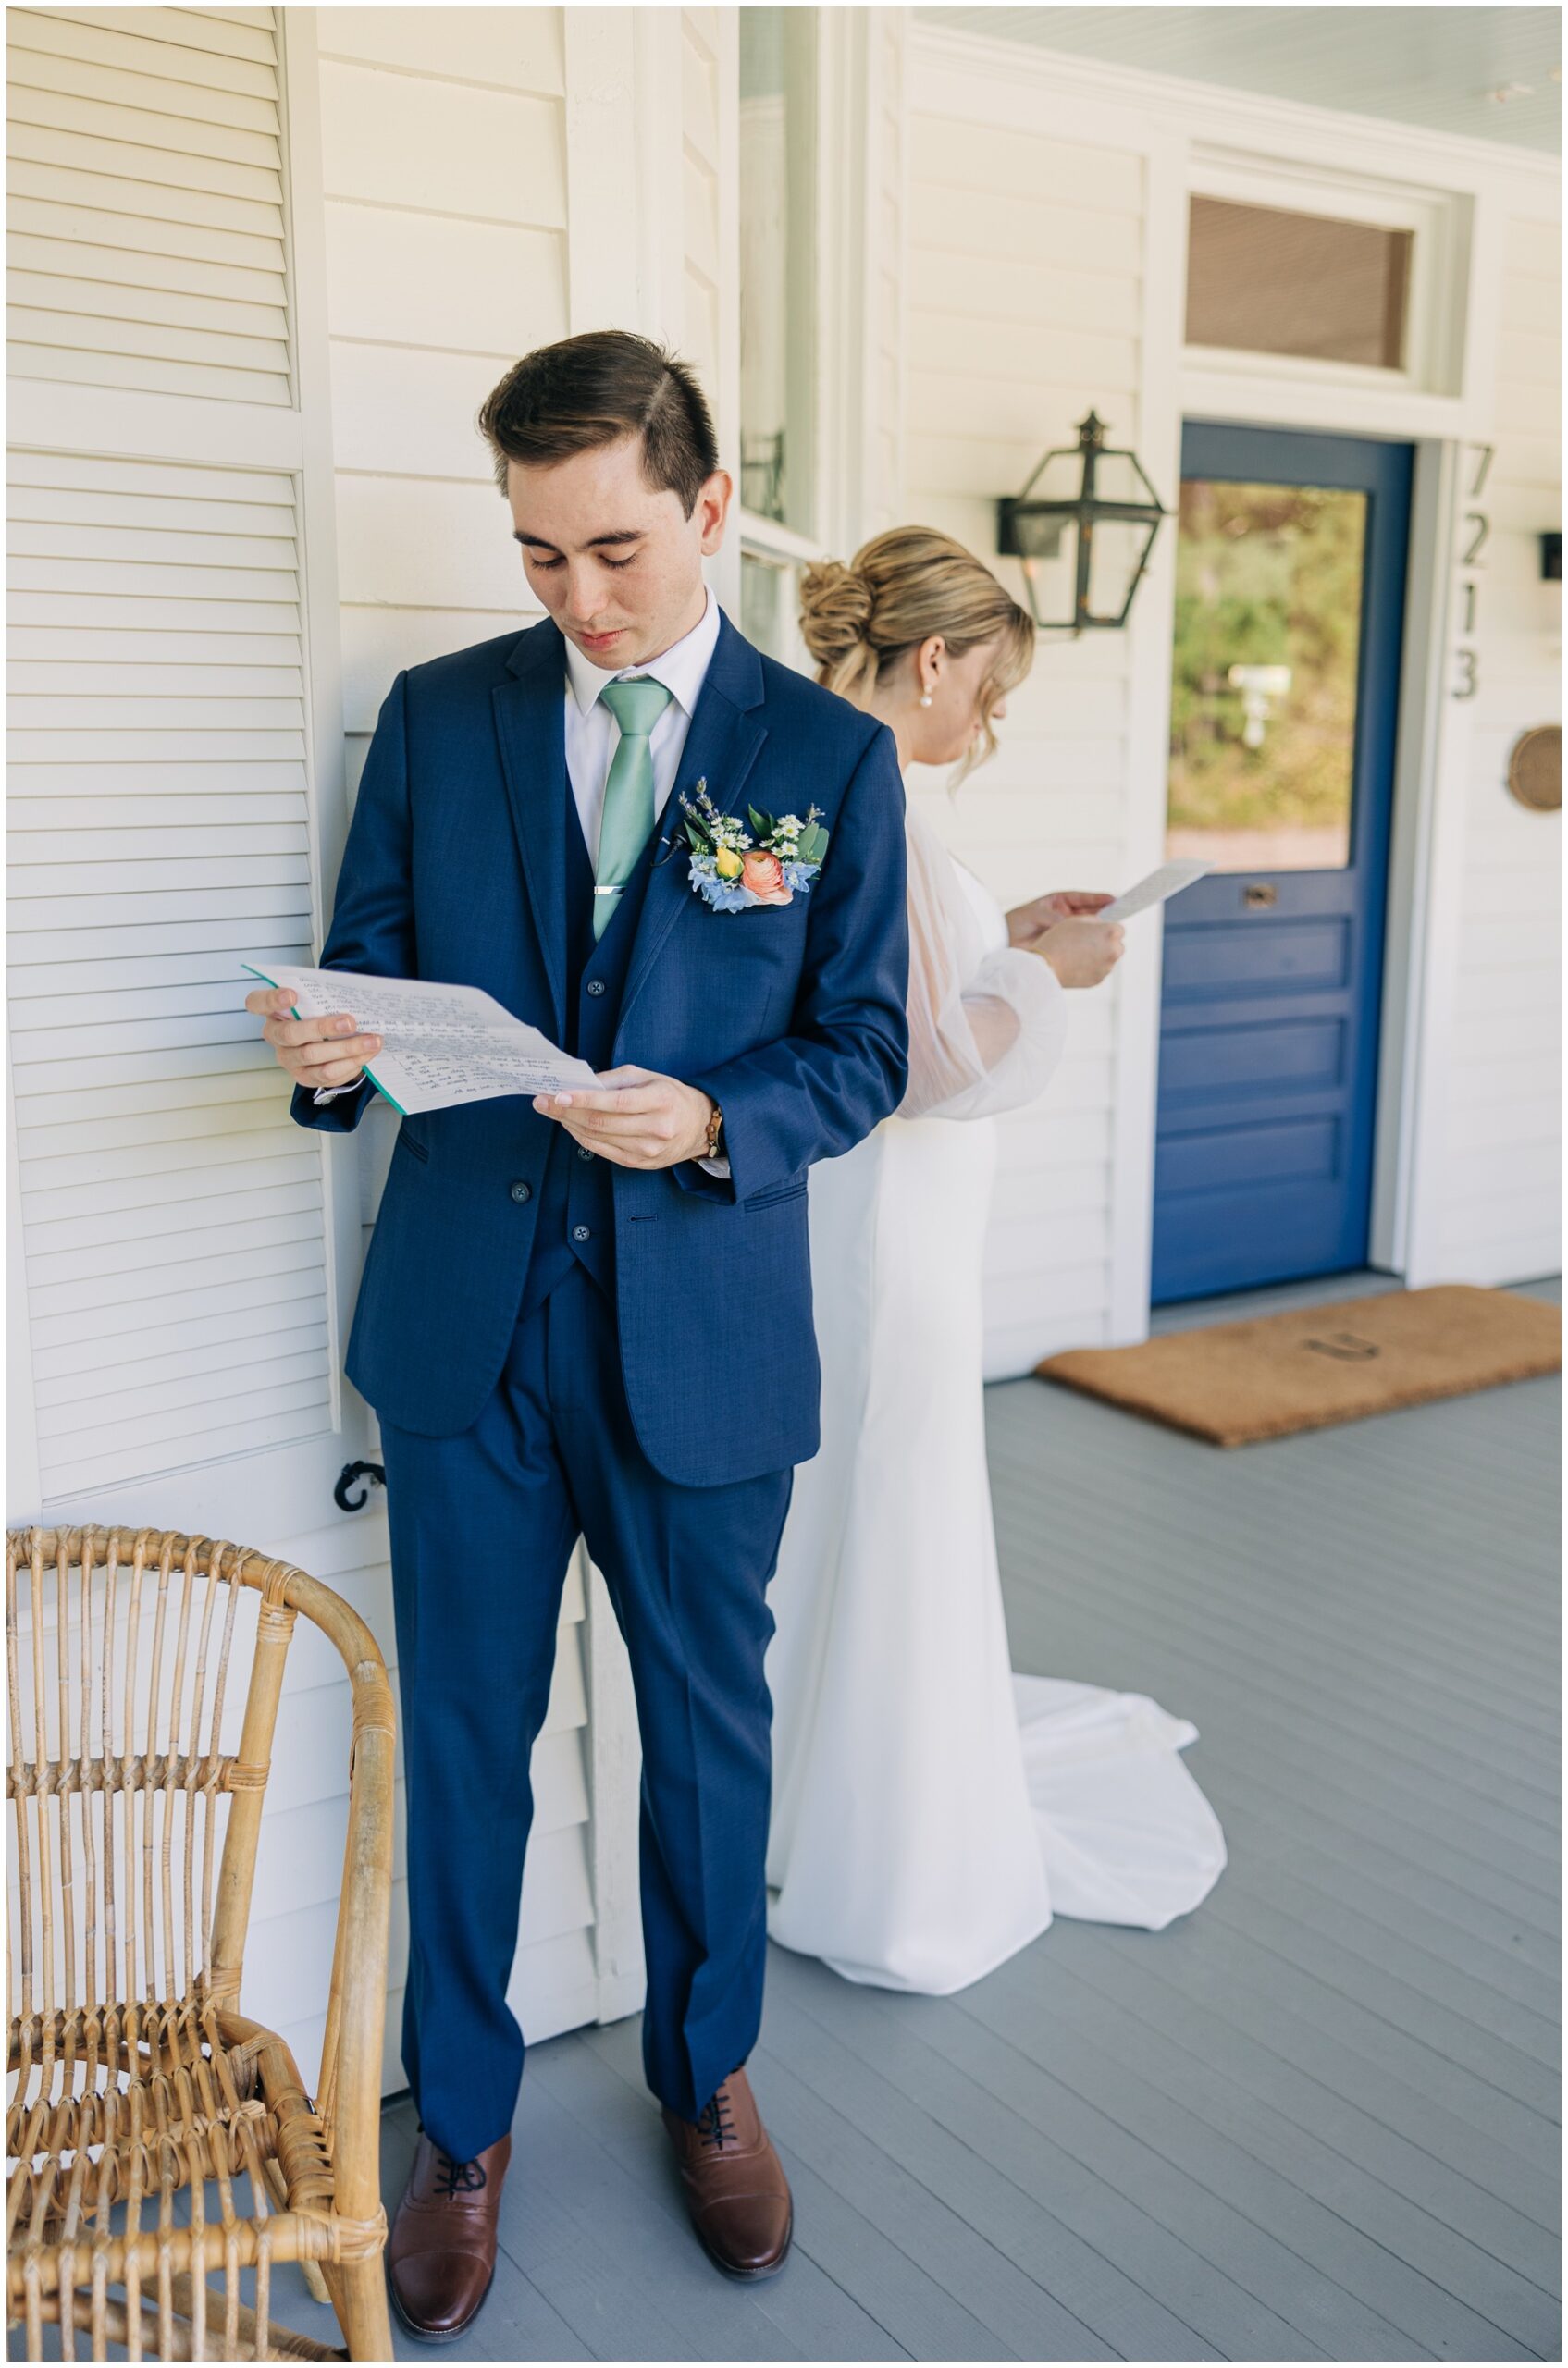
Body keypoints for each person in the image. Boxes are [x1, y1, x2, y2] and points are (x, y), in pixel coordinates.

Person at [249, 334, 910, 2337]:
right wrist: (327, 1051)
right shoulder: (436, 714)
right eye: (537, 554)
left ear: (708, 509)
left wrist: (716, 1114)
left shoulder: (823, 759)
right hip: (466, 1326)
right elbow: (365, 971)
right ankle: (458, 2120)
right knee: (458, 1729)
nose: (576, 595)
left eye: (611, 546)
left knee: (710, 1736)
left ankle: (703, 2075)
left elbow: (862, 1043)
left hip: (700, 1334)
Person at [765, 528, 1228, 1995]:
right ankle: (885, 1843)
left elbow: (883, 1000)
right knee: (894, 1488)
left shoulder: (812, 781)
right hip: (897, 1210)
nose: (990, 722)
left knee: (854, 1494)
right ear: (935, 659)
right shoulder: (876, 801)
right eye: (992, 688)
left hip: (867, 1212)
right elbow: (913, 1068)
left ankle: (801, 1791)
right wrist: (1050, 974)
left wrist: (1007, 935)